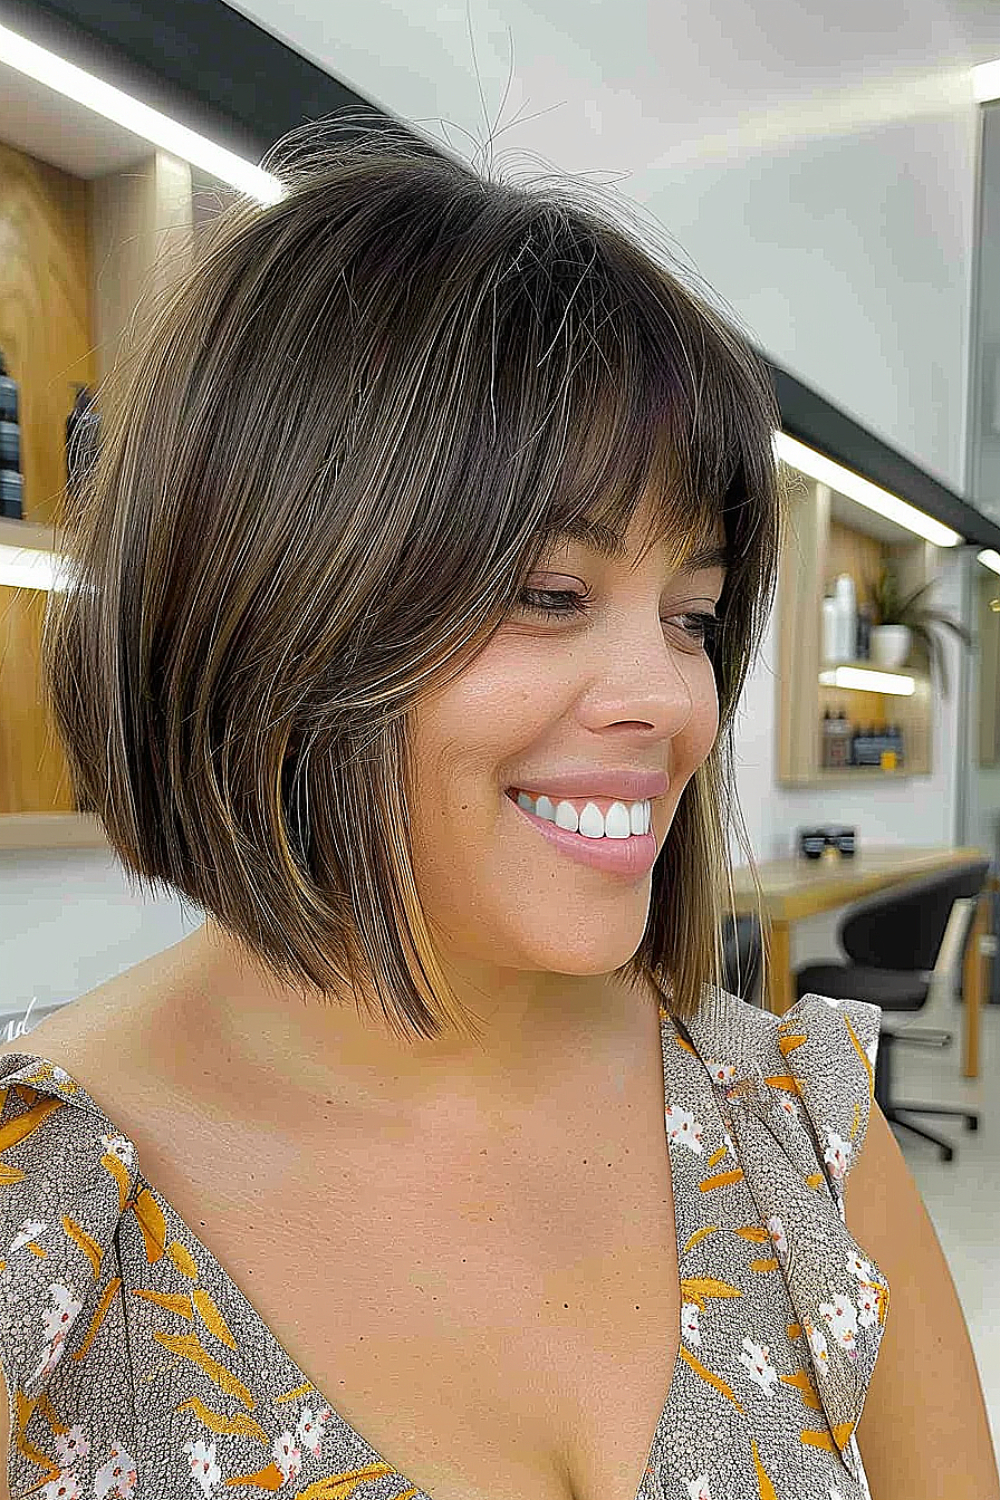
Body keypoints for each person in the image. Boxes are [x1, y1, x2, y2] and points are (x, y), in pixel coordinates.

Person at [0, 119, 995, 1500]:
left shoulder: (801, 1131)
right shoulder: (39, 1222)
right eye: (546, 594)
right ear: (270, 597)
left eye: (693, 616)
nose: (670, 699)